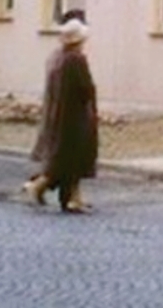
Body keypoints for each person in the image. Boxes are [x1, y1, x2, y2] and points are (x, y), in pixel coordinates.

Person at [23, 15, 98, 212]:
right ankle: (38, 186)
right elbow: (85, 89)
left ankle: (73, 197)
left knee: (69, 159)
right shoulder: (76, 60)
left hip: (58, 114)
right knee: (70, 159)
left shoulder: (56, 57)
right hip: (75, 116)